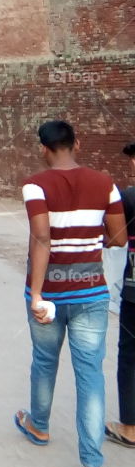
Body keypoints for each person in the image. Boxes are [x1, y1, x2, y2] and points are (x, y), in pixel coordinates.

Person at [14, 119, 126, 467]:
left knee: (44, 361)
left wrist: (35, 293)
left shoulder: (35, 185)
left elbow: (41, 238)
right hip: (91, 291)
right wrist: (97, 242)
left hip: (51, 291)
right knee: (90, 374)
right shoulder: (105, 183)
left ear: (43, 149)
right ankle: (93, 462)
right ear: (76, 144)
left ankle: (40, 426)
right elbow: (119, 237)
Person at [105, 141, 135, 448]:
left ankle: (130, 428)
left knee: (130, 357)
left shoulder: (128, 198)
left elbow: (113, 239)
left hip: (134, 293)